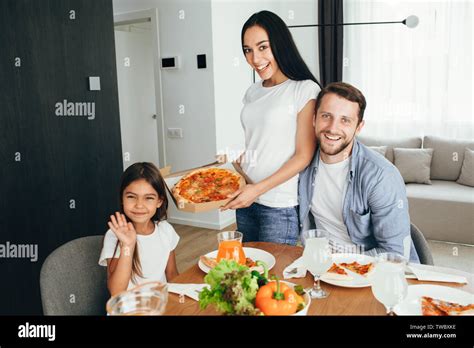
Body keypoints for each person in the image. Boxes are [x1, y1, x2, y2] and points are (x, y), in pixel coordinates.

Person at [221, 10, 321, 246]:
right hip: (247, 199)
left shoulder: (304, 89)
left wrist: (257, 190)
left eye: (263, 47)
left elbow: (303, 155)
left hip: (278, 205)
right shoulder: (253, 91)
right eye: (248, 50)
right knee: (248, 276)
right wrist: (241, 165)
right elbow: (259, 142)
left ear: (280, 44)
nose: (255, 59)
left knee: (273, 279)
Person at [298, 82, 420, 262]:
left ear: (359, 127)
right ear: (314, 118)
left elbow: (394, 253)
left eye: (345, 120)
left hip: (370, 270)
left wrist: (339, 262)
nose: (332, 128)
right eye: (326, 116)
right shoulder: (302, 162)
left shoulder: (381, 176)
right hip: (320, 265)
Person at [99, 162, 180, 296]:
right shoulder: (114, 236)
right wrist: (128, 245)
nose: (139, 205)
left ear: (159, 201)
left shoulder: (166, 230)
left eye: (148, 198)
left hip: (160, 305)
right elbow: (117, 292)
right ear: (122, 199)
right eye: (131, 197)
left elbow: (172, 274)